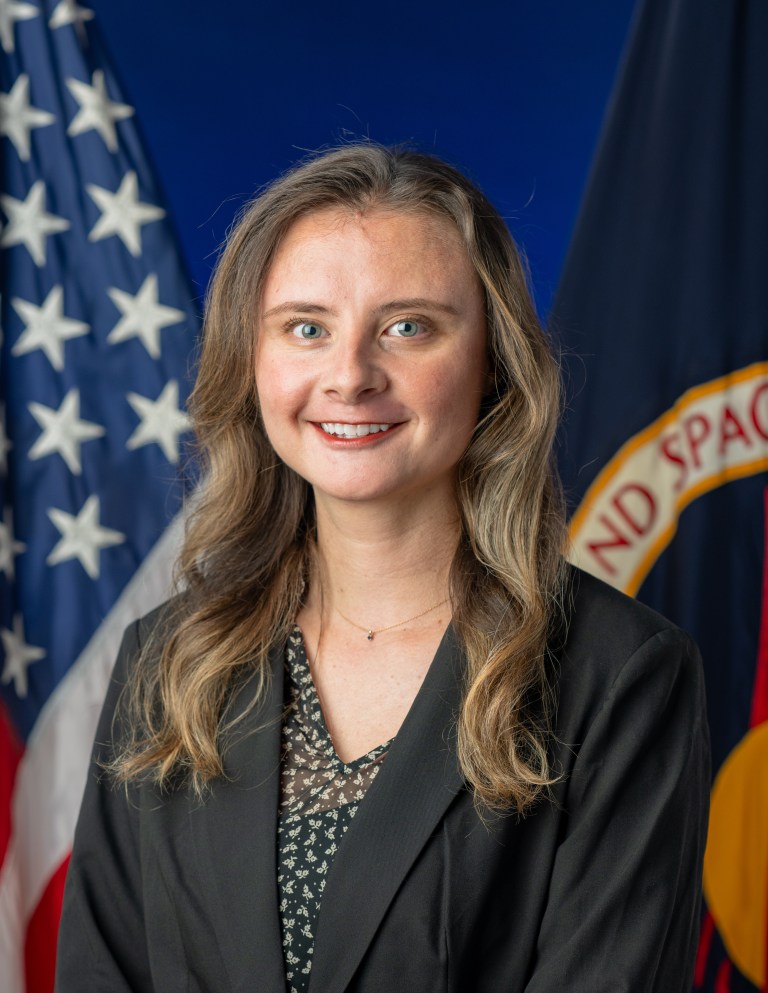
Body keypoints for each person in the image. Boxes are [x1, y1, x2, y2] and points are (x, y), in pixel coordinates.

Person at [55, 144, 710, 993]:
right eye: (307, 327)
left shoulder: (621, 677)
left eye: (409, 326)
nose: (351, 375)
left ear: (494, 363)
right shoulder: (166, 661)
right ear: (251, 362)